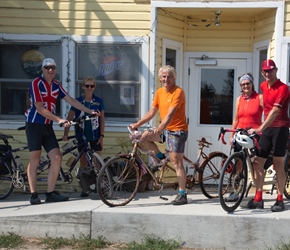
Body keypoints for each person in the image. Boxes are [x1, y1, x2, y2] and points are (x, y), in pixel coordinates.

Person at [25, 58, 100, 205]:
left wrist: (89, 111)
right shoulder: (36, 83)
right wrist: (59, 120)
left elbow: (71, 101)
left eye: (53, 67)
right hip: (34, 124)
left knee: (57, 157)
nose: (50, 70)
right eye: (47, 68)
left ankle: (50, 193)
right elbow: (40, 108)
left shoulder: (56, 85)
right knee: (35, 158)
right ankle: (33, 194)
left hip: (47, 126)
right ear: (42, 69)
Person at [130, 65, 188, 205]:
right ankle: (160, 157)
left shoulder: (178, 92)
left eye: (169, 77)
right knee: (143, 137)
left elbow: (170, 114)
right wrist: (137, 124)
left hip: (177, 131)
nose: (166, 79)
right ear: (160, 78)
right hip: (165, 129)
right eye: (163, 77)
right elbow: (151, 113)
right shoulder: (159, 92)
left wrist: (161, 128)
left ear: (174, 78)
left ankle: (182, 193)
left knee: (176, 161)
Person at [247, 59, 289, 212]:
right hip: (267, 129)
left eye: (270, 70)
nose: (267, 73)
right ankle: (258, 198)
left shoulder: (283, 88)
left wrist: (260, 127)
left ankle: (280, 199)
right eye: (265, 71)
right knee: (257, 162)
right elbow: (264, 105)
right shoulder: (263, 86)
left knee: (278, 164)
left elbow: (275, 110)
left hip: (280, 128)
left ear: (276, 70)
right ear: (261, 72)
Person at [63, 76, 105, 197]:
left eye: (92, 86)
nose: (89, 88)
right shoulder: (77, 102)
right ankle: (85, 187)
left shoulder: (98, 101)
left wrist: (102, 135)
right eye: (87, 86)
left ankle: (101, 186)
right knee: (84, 162)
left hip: (95, 135)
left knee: (98, 162)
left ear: (94, 88)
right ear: (83, 87)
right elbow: (69, 118)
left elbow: (102, 120)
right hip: (82, 136)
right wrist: (66, 134)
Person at [225, 73, 263, 202]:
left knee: (256, 164)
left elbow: (268, 115)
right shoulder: (238, 99)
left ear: (252, 84)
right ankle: (235, 191)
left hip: (255, 135)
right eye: (243, 84)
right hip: (240, 134)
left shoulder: (260, 98)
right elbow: (236, 119)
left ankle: (259, 193)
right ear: (240, 86)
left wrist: (261, 129)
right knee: (238, 163)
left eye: (248, 83)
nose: (246, 86)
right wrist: (231, 136)